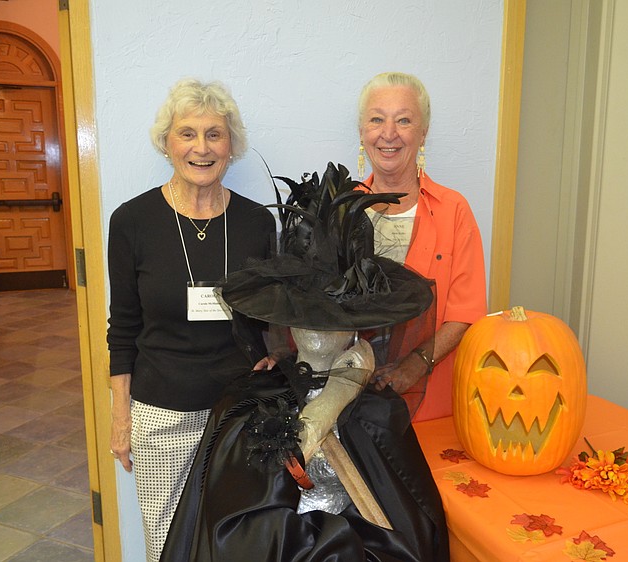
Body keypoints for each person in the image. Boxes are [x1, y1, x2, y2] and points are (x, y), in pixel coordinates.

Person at [161, 163, 448, 562]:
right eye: (310, 319)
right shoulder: (249, 408)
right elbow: (244, 535)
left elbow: (414, 526)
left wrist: (341, 394)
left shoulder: (378, 409)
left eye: (335, 319)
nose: (321, 334)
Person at [106, 78, 275, 562]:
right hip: (162, 411)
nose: (201, 147)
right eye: (187, 133)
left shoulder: (257, 223)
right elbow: (123, 327)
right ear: (167, 143)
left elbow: (270, 318)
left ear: (231, 146)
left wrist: (274, 362)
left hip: (238, 413)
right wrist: (122, 417)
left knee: (236, 540)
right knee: (167, 544)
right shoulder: (132, 221)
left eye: (214, 134)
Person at [357, 71, 488, 421]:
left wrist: (413, 366)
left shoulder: (453, 210)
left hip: (430, 402)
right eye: (376, 119)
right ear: (362, 132)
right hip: (351, 402)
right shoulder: (341, 210)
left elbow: (466, 313)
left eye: (404, 120)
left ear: (423, 132)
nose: (389, 133)